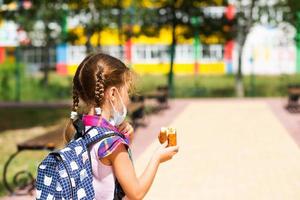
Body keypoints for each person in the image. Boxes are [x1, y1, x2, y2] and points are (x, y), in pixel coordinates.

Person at [64, 53, 179, 200]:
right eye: (127, 91)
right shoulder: (112, 143)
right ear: (113, 93)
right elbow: (136, 193)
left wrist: (125, 138)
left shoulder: (81, 129)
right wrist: (157, 158)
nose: (128, 98)